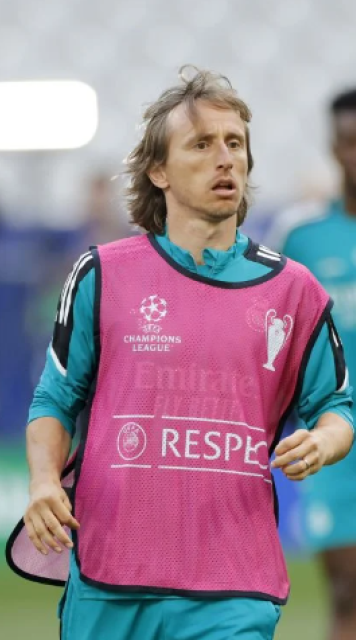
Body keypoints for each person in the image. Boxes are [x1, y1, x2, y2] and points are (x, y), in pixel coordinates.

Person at [21, 67, 354, 640]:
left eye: (235, 144)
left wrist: (322, 441)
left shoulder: (293, 290)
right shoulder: (102, 273)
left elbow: (338, 408)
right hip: (110, 580)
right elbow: (55, 397)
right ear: (159, 170)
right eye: (201, 145)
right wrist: (44, 481)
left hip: (234, 587)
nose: (225, 159)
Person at [268, 87, 356, 640]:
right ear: (333, 147)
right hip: (333, 437)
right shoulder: (301, 236)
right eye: (349, 141)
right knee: (347, 590)